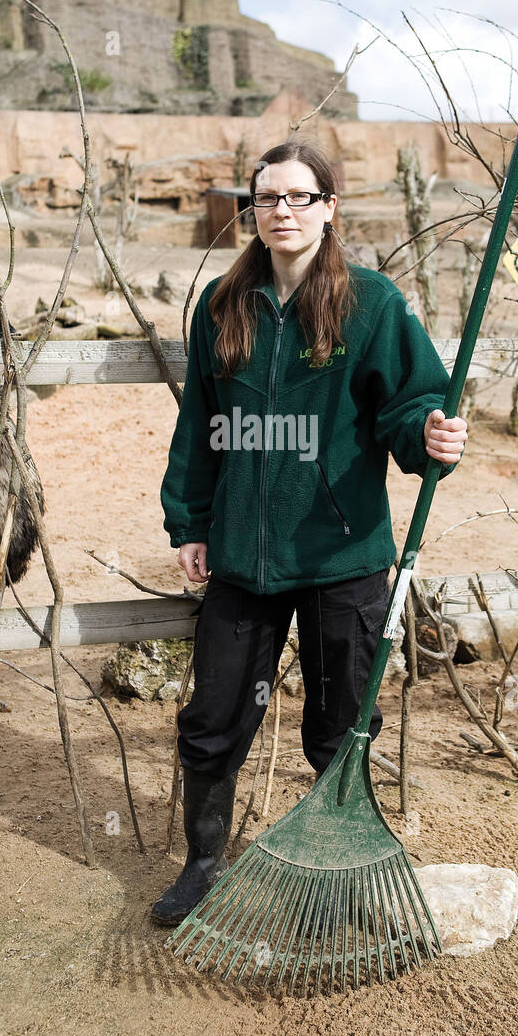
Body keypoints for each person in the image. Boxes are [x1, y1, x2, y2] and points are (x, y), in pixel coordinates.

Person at [154, 140, 467, 925]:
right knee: (214, 715)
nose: (282, 212)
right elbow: (200, 423)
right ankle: (201, 861)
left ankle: (345, 867)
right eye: (267, 199)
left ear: (330, 208)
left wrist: (428, 434)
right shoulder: (223, 307)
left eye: (299, 197)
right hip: (242, 559)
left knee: (341, 723)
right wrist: (189, 522)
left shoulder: (371, 304)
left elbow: (407, 406)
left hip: (341, 554)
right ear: (250, 212)